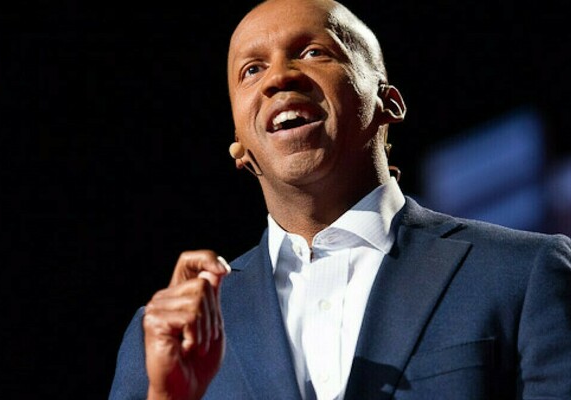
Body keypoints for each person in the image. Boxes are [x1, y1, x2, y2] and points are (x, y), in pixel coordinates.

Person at [109, 0, 571, 398]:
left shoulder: (524, 273)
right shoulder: (168, 331)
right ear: (239, 146)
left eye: (313, 52)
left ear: (388, 101)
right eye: (252, 70)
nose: (279, 78)